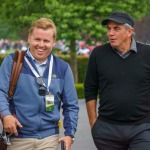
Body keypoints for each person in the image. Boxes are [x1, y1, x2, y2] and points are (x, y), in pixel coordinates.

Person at [0, 18, 79, 150]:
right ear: (29, 38)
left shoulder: (63, 68)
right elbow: (1, 91)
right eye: (37, 39)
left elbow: (71, 106)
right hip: (18, 138)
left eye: (46, 41)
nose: (41, 45)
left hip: (49, 139)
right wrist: (5, 114)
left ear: (53, 42)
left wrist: (70, 135)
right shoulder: (12, 62)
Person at [84, 11, 150, 150]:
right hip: (106, 130)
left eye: (116, 28)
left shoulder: (147, 54)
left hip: (142, 128)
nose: (110, 33)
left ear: (130, 31)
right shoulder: (98, 54)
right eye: (108, 28)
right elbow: (90, 88)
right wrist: (93, 122)